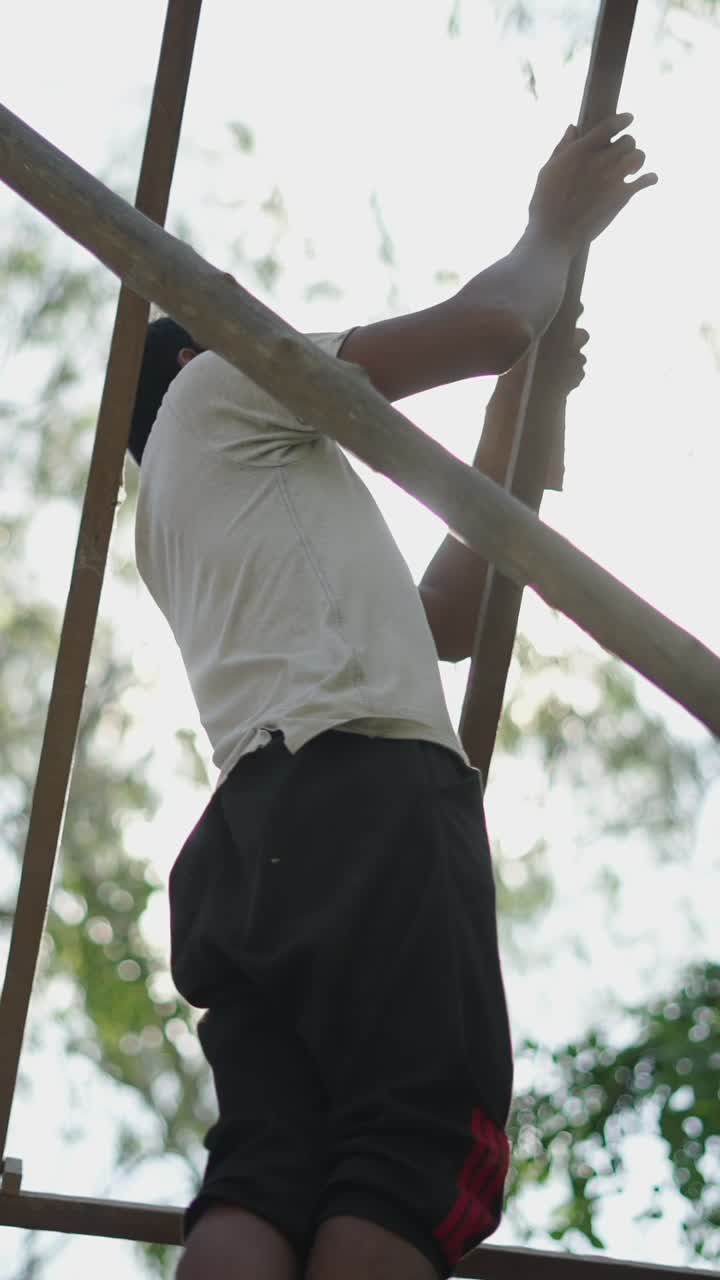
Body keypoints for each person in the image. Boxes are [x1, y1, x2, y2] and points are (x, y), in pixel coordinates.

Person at [129, 114, 656, 1280]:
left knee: (267, 1163)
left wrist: (522, 403)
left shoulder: (175, 516)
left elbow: (447, 621)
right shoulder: (223, 381)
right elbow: (491, 319)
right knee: (413, 1144)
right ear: (188, 344)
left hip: (256, 846)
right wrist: (550, 231)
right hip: (366, 794)